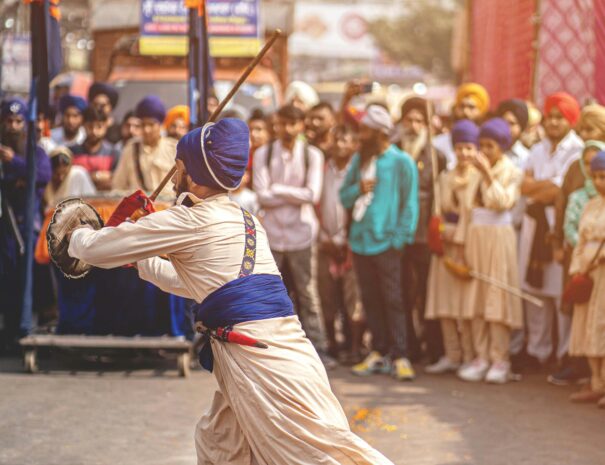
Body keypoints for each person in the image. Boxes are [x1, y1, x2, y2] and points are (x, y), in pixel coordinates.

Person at [67, 118, 394, 465]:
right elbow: (197, 284)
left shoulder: (187, 221)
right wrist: (139, 261)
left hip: (263, 364)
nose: (174, 174)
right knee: (219, 444)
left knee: (320, 459)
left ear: (187, 170)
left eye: (178, 166)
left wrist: (73, 233)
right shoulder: (246, 219)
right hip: (275, 356)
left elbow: (94, 249)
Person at [340, 104, 419, 381]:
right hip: (361, 242)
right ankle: (379, 351)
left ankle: (401, 355)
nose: (360, 136)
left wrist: (399, 239)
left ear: (379, 133)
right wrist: (357, 189)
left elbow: (410, 205)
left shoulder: (401, 162)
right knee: (370, 299)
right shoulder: (360, 161)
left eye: (364, 131)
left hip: (388, 244)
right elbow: (344, 197)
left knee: (394, 300)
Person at [253, 104, 329, 358]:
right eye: (282, 123)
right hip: (273, 235)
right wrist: (289, 195)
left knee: (308, 294)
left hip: (302, 235)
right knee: (272, 292)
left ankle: (319, 348)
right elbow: (262, 195)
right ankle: (271, 347)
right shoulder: (264, 153)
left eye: (292, 124)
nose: (286, 129)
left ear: (301, 126)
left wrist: (278, 190)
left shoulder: (313, 155)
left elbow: (312, 194)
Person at [519, 92, 584, 369]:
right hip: (534, 226)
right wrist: (543, 188)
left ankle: (564, 353)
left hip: (559, 228)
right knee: (535, 292)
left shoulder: (578, 150)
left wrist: (540, 187)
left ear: (571, 120)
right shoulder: (536, 149)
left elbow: (559, 191)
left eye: (560, 117)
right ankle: (537, 350)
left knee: (559, 293)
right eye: (551, 117)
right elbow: (523, 187)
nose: (554, 123)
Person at [456, 118, 523, 383]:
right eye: (481, 145)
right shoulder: (472, 172)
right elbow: (467, 210)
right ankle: (480, 356)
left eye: (490, 146)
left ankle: (500, 359)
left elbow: (502, 202)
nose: (484, 151)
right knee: (477, 300)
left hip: (498, 239)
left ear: (502, 147)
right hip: (476, 238)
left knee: (496, 300)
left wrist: (486, 174)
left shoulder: (513, 172)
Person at [394, 96, 446, 363]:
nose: (414, 126)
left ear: (427, 125)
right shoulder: (393, 150)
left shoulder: (437, 156)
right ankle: (407, 347)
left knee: (428, 292)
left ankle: (433, 348)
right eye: (409, 120)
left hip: (425, 233)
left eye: (419, 121)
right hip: (398, 232)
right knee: (401, 292)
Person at [425, 120, 480, 375]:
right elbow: (439, 209)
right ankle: (452, 354)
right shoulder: (444, 176)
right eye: (459, 148)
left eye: (469, 148)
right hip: (446, 245)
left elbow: (472, 212)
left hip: (467, 245)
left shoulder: (479, 177)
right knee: (445, 305)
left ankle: (470, 356)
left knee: (465, 307)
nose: (464, 154)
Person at [0, 98, 51, 352]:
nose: (13, 126)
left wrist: (16, 165)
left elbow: (42, 174)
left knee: (26, 281)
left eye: (18, 121)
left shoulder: (35, 152)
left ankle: (25, 331)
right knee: (6, 283)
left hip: (26, 228)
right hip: (4, 229)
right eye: (8, 121)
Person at [318, 125, 365, 363]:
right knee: (326, 296)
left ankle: (354, 347)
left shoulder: (359, 172)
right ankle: (332, 344)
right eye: (336, 139)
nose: (339, 144)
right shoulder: (322, 168)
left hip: (351, 242)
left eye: (345, 140)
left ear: (354, 144)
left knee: (352, 297)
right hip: (325, 239)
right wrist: (324, 238)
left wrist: (346, 240)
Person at [567, 150, 605, 407]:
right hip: (588, 273)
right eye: (596, 177)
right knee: (588, 325)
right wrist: (578, 268)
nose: (601, 182)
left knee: (602, 325)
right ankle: (596, 381)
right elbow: (580, 240)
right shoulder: (591, 205)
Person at [112, 96, 177, 197]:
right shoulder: (131, 149)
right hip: (140, 210)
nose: (147, 130)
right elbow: (118, 187)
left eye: (151, 125)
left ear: (160, 124)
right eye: (143, 125)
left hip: (167, 209)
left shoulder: (173, 149)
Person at [433, 83, 490, 170]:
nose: (465, 111)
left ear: (481, 111)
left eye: (471, 107)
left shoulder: (487, 145)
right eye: (462, 106)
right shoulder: (438, 143)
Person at [71, 106, 120, 191]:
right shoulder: (72, 152)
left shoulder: (114, 153)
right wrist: (98, 177)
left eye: (99, 126)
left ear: (106, 126)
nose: (94, 131)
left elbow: (117, 181)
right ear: (83, 125)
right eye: (90, 126)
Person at [247, 108, 271, 174]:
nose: (253, 134)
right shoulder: (243, 157)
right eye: (250, 129)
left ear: (268, 132)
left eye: (259, 129)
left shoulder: (273, 156)